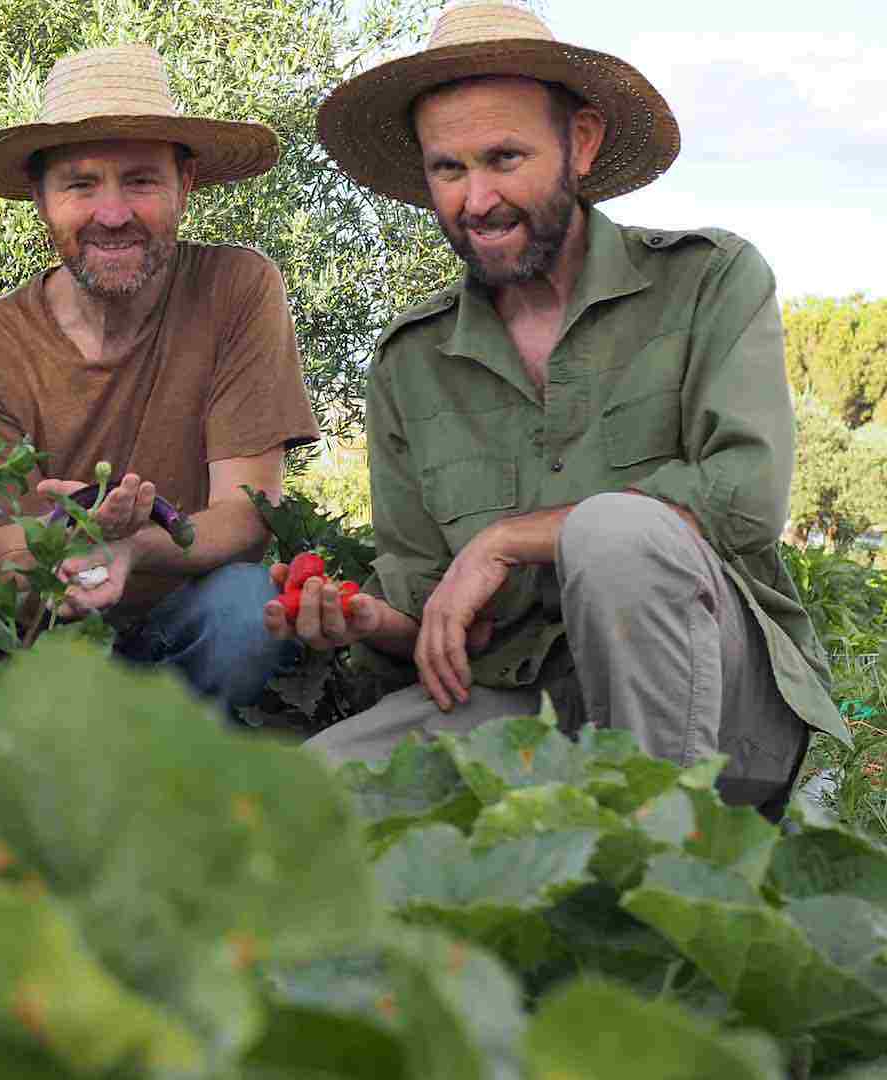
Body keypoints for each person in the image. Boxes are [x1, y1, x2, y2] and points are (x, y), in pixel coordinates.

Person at [280, 0, 848, 814]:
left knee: (615, 532)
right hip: (521, 708)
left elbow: (744, 498)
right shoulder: (411, 361)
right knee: (303, 803)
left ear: (580, 143)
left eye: (504, 158)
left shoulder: (709, 282)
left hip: (722, 709)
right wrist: (369, 618)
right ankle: (567, 847)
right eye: (448, 169)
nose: (476, 200)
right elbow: (430, 599)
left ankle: (663, 866)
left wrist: (512, 539)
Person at [0, 43, 321, 715]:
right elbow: (5, 558)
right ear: (40, 197)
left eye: (140, 181)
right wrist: (80, 539)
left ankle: (187, 779)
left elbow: (249, 517)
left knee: (244, 606)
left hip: (186, 624)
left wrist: (137, 546)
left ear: (185, 185)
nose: (112, 215)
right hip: (51, 640)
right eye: (81, 185)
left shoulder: (236, 289)